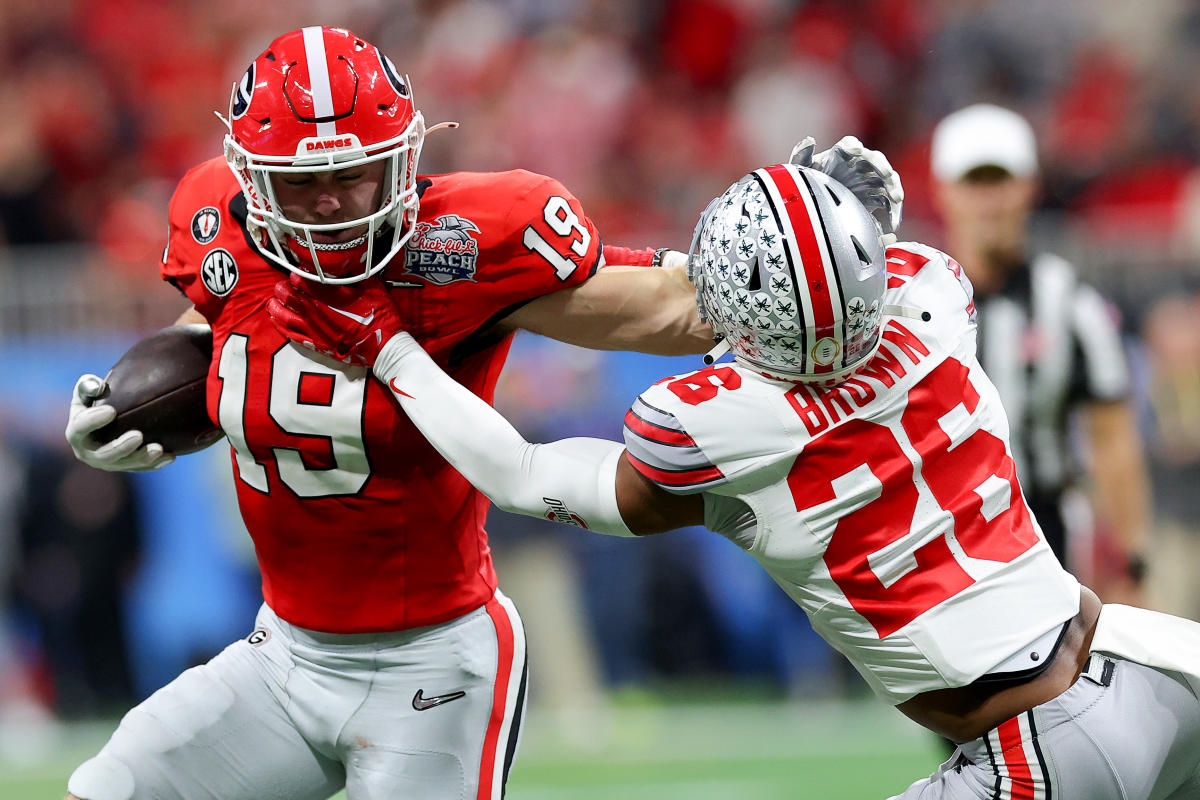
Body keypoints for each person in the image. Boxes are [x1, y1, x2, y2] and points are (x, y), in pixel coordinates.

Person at [59, 26, 902, 800]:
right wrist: (131, 420)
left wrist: (815, 246)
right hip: (280, 655)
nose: (332, 205)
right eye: (304, 183)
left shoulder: (466, 242)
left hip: (434, 666)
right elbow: (214, 326)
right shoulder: (218, 229)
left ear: (403, 158)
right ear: (252, 181)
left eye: (354, 175)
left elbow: (665, 309)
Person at [276, 154, 1200, 798]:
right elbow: (858, 266)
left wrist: (391, 353)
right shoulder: (933, 296)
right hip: (1151, 663)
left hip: (1044, 752)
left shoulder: (713, 425)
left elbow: (520, 472)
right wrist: (840, 212)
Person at [929, 103, 1151, 603]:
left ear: (1029, 186)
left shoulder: (1071, 303)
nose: (990, 201)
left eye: (1001, 181)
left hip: (1045, 533)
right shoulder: (908, 302)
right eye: (974, 183)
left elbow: (1112, 438)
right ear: (943, 191)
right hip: (936, 533)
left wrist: (1133, 559)